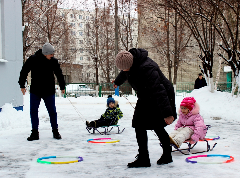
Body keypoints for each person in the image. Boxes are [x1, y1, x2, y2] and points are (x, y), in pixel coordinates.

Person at [113, 48, 176, 168]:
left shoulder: (147, 68)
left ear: (130, 64)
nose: (122, 70)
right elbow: (125, 72)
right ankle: (143, 158)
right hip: (145, 96)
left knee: (158, 126)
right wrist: (117, 81)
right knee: (138, 124)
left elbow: (159, 91)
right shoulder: (130, 63)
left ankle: (167, 155)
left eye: (123, 68)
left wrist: (168, 114)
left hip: (159, 96)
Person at [18, 42, 66, 141]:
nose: (52, 56)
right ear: (45, 53)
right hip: (36, 90)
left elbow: (59, 73)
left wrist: (62, 86)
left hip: (49, 91)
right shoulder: (33, 59)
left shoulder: (53, 61)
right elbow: (24, 71)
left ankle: (55, 131)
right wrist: (22, 85)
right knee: (34, 111)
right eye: (51, 54)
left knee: (52, 111)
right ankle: (35, 133)